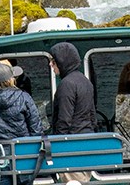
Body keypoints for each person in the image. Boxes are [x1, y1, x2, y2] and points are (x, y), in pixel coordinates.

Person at [49, 43, 96, 184]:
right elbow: (92, 116)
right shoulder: (85, 81)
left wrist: (57, 145)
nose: (51, 64)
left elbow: (64, 119)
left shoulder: (66, 84)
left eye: (54, 61)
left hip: (71, 146)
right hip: (86, 142)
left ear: (62, 61)